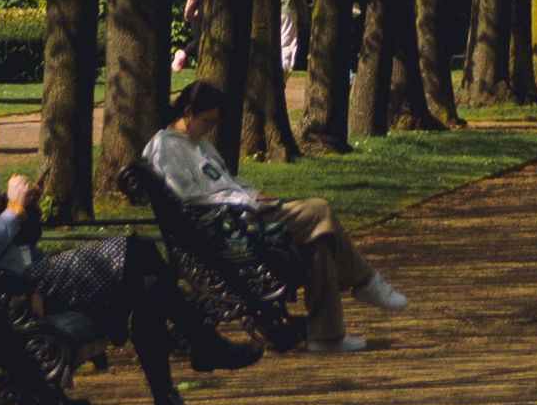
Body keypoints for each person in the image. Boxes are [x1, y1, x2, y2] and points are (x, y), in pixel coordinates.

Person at [0, 92, 203, 405]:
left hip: (30, 276)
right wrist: (13, 209)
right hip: (16, 291)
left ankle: (172, 391)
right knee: (139, 252)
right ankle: (196, 348)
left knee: (149, 282)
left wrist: (19, 208)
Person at [144, 81, 402, 350]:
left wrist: (255, 194)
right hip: (228, 225)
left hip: (240, 215)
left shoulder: (198, 144)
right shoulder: (166, 147)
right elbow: (191, 197)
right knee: (319, 209)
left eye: (213, 123)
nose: (209, 128)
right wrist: (249, 203)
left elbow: (225, 183)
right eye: (206, 121)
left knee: (320, 241)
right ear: (187, 111)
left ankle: (327, 336)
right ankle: (365, 281)